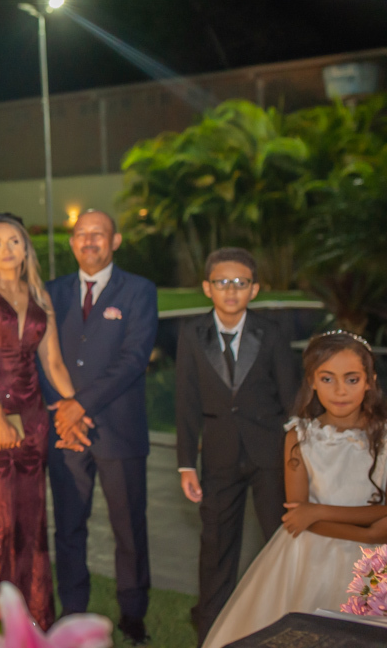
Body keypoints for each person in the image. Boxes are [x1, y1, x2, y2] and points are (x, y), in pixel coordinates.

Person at [202, 332, 387, 648]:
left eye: (352, 379)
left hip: (374, 565)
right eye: (327, 379)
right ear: (312, 381)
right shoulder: (299, 437)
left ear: (369, 381)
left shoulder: (383, 436)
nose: (340, 390)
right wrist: (367, 531)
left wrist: (321, 512)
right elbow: (296, 517)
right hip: (308, 557)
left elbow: (311, 514)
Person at [0, 213, 87, 629]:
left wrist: (75, 407)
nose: (6, 249)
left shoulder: (39, 296)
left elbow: (55, 363)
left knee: (28, 516)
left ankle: (26, 621)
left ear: (26, 247)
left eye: (14, 241)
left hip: (31, 416)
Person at [40, 209, 158, 645]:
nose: (89, 242)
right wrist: (63, 411)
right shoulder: (52, 293)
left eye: (99, 234)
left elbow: (133, 359)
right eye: (81, 235)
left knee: (129, 528)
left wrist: (80, 407)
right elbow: (42, 358)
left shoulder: (140, 291)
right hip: (65, 434)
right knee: (69, 526)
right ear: (71, 243)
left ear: (115, 240)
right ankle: (73, 610)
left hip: (119, 431)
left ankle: (133, 613)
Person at [175, 247, 299, 644]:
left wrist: (296, 458)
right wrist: (185, 463)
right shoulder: (192, 335)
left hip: (269, 455)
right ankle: (211, 630)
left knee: (280, 540)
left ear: (255, 289)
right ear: (207, 288)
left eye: (240, 283)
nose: (231, 291)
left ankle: (286, 622)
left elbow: (292, 398)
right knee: (215, 547)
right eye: (223, 283)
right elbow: (187, 402)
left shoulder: (272, 333)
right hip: (218, 456)